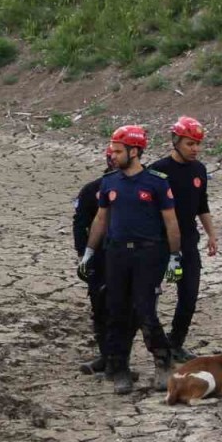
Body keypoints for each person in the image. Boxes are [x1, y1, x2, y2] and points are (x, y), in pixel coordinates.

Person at [83, 125, 183, 395]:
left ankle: (163, 362)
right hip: (116, 254)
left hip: (148, 254)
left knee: (145, 310)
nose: (113, 156)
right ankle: (120, 369)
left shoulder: (156, 182)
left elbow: (171, 222)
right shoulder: (110, 182)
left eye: (118, 151)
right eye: (112, 150)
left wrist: (175, 257)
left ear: (135, 151)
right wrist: (89, 252)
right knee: (116, 311)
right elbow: (101, 219)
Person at [148, 116, 216, 363]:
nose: (195, 149)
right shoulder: (157, 170)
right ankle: (157, 346)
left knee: (189, 293)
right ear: (175, 141)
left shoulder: (199, 170)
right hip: (157, 243)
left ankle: (176, 342)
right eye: (190, 143)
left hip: (188, 242)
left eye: (198, 144)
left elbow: (202, 203)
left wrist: (211, 234)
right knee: (150, 295)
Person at [73, 146, 116, 375]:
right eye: (114, 154)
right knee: (99, 306)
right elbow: (80, 224)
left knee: (129, 309)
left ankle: (120, 360)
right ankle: (105, 356)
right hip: (100, 257)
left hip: (130, 257)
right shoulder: (92, 190)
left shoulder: (146, 186)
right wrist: (83, 255)